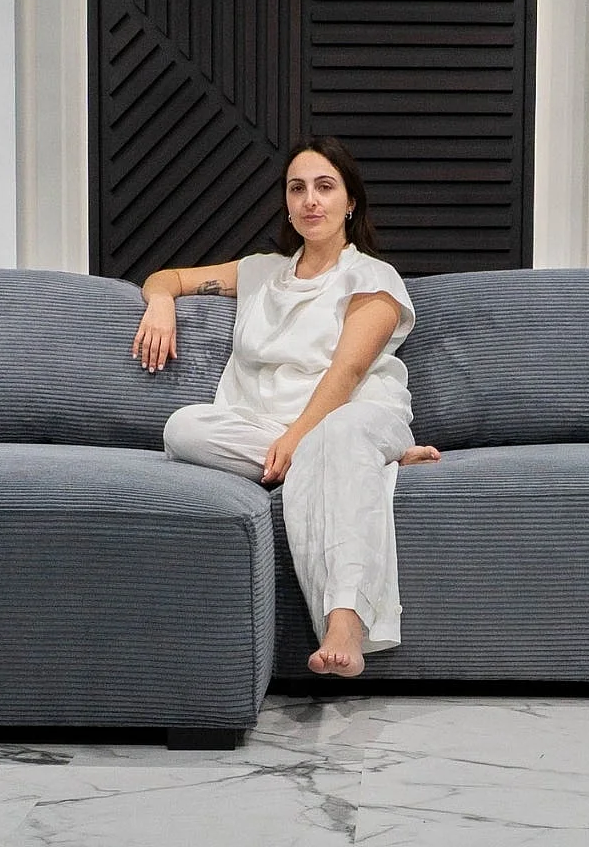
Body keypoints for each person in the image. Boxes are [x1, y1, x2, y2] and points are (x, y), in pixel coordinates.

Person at [133, 135, 439, 678]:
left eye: (325, 187)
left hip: (354, 414)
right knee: (183, 427)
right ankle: (366, 463)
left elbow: (346, 372)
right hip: (267, 429)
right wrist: (160, 303)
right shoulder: (261, 273)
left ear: (350, 202)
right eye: (297, 189)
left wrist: (299, 436)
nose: (310, 200)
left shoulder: (372, 277)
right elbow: (169, 278)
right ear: (287, 203)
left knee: (338, 436)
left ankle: (344, 623)